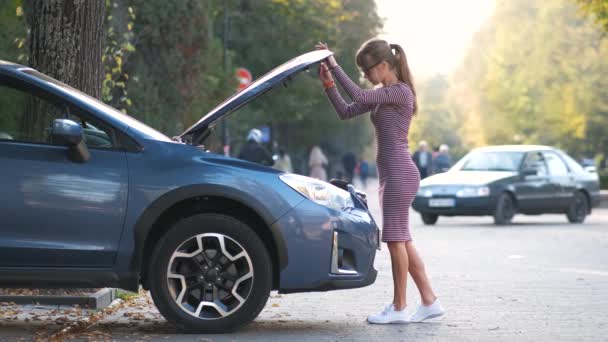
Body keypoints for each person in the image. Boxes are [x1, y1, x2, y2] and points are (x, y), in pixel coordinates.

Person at [316, 39, 443, 324]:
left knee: (396, 240)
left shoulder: (399, 92)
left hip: (399, 172)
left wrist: (334, 65)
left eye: (367, 70)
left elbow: (359, 97)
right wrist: (329, 85)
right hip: (393, 173)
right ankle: (429, 301)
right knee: (403, 241)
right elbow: (347, 111)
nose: (365, 76)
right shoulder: (383, 93)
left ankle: (399, 307)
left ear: (384, 65)